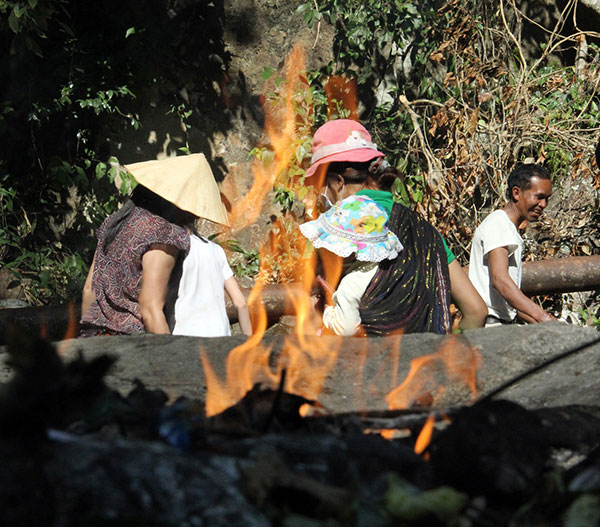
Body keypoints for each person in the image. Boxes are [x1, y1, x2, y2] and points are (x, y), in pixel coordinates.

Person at [305, 119, 487, 334]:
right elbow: (477, 311)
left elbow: (312, 319)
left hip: (365, 364)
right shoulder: (426, 232)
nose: (320, 196)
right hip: (426, 363)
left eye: (320, 186)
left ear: (337, 182)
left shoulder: (334, 236)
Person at [80, 154, 231, 336]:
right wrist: (167, 358)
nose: (195, 216)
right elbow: (150, 308)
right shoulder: (164, 235)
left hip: (96, 341)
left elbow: (89, 290)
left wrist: (88, 340)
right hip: (132, 346)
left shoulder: (116, 221)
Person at [300, 195, 403, 336]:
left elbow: (346, 330)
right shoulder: (387, 262)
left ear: (348, 252)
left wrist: (329, 307)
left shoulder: (350, 285)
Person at [468, 163, 556, 325]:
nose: (543, 205)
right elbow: (499, 280)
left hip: (501, 323)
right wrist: (544, 318)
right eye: (539, 197)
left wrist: (544, 322)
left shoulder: (507, 227)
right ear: (516, 193)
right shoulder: (499, 224)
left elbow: (507, 303)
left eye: (547, 199)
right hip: (491, 327)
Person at [172, 231, 252, 337]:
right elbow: (241, 302)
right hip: (219, 334)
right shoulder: (215, 249)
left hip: (184, 333)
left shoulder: (172, 250)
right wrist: (249, 340)